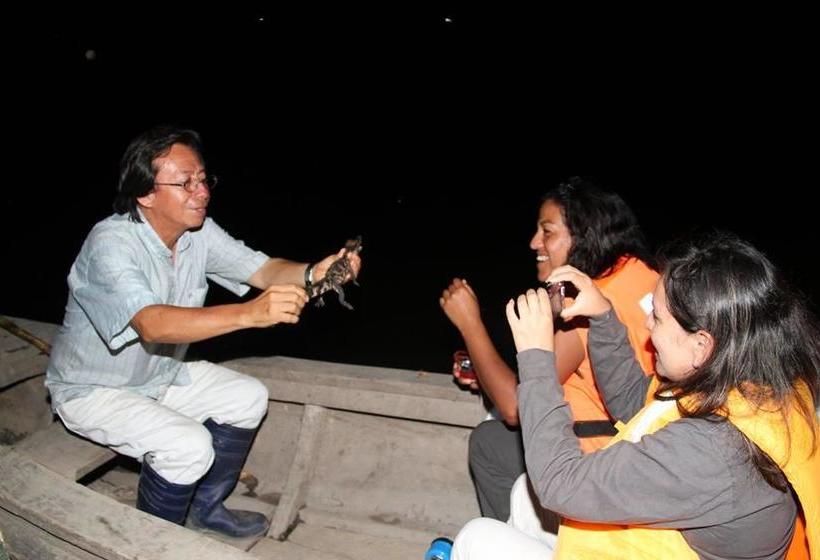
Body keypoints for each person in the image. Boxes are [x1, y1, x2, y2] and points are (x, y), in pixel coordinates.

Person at [45, 125, 362, 538]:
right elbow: (152, 322)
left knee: (248, 397)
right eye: (185, 183)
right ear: (145, 194)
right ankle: (148, 543)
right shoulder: (111, 243)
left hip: (158, 375)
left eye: (203, 179)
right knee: (189, 445)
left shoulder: (198, 232)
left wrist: (312, 272)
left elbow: (263, 270)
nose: (202, 192)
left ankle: (204, 509)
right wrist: (249, 314)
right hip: (94, 390)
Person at [452, 232, 820, 559]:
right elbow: (635, 402)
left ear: (701, 344)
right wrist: (602, 317)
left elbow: (560, 484)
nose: (646, 326)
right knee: (522, 494)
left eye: (657, 318)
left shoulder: (714, 448)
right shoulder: (750, 387)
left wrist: (536, 357)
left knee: (476, 538)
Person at [439, 177, 658, 521]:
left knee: (489, 440)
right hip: (646, 451)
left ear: (585, 235)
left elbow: (514, 405)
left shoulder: (587, 305)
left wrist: (471, 325)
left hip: (599, 461)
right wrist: (485, 374)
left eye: (548, 232)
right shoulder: (644, 273)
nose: (534, 243)